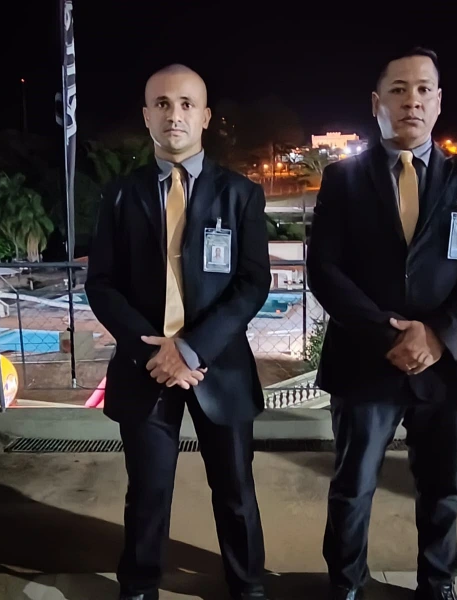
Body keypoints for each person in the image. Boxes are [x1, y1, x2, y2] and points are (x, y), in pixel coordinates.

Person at [306, 48, 457, 600]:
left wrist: (439, 333)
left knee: (443, 486)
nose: (412, 101)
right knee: (353, 485)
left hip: (446, 363)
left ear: (439, 102)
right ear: (377, 103)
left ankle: (438, 582)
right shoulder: (343, 179)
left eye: (424, 90)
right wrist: (386, 334)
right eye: (399, 90)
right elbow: (324, 270)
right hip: (364, 360)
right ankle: (346, 583)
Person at [85, 64, 271, 600]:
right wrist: (154, 351)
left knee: (235, 491)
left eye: (187, 104)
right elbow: (101, 284)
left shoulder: (241, 194)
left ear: (205, 116)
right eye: (162, 104)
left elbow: (253, 283)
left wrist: (189, 348)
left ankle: (248, 586)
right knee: (147, 492)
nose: (175, 114)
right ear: (147, 116)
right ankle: (140, 586)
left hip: (218, 367)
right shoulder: (120, 196)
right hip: (144, 365)